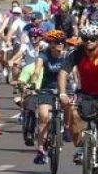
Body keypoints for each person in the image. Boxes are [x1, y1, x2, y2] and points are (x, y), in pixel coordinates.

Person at [61, 25, 98, 170]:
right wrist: (63, 93)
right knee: (74, 115)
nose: (89, 42)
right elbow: (63, 72)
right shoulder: (76, 52)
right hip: (85, 94)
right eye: (86, 39)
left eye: (93, 39)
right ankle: (80, 148)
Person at [29, 30, 69, 165]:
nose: (57, 45)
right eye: (53, 43)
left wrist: (79, 85)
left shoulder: (67, 56)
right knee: (43, 117)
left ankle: (67, 128)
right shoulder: (44, 54)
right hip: (47, 89)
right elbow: (37, 70)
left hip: (65, 89)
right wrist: (33, 83)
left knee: (70, 106)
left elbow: (75, 73)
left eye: (59, 42)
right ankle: (40, 149)